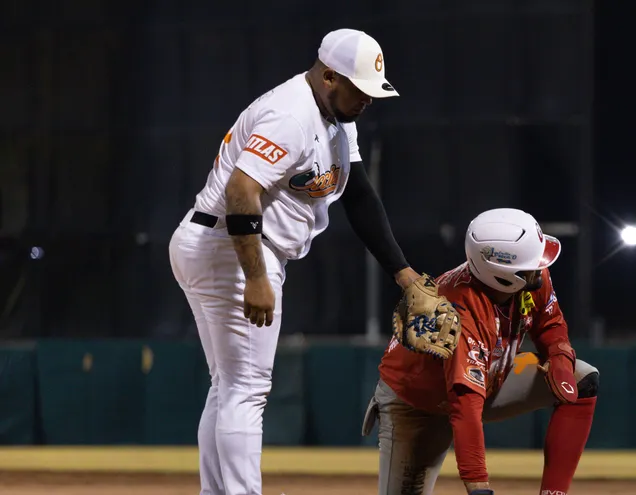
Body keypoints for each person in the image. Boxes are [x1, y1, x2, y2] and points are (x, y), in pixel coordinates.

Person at [169, 28, 445, 495]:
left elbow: (359, 196)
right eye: (361, 90)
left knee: (230, 386)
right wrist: (256, 277)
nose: (369, 100)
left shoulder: (338, 118)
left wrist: (404, 274)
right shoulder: (291, 115)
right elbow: (241, 190)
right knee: (247, 387)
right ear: (330, 77)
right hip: (229, 248)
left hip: (225, 245)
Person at [362, 208, 600, 495]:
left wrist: (560, 356)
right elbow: (465, 407)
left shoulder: (526, 277)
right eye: (532, 264)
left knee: (582, 378)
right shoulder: (459, 312)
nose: (541, 267)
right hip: (417, 403)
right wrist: (479, 488)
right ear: (502, 276)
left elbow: (549, 322)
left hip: (489, 375)